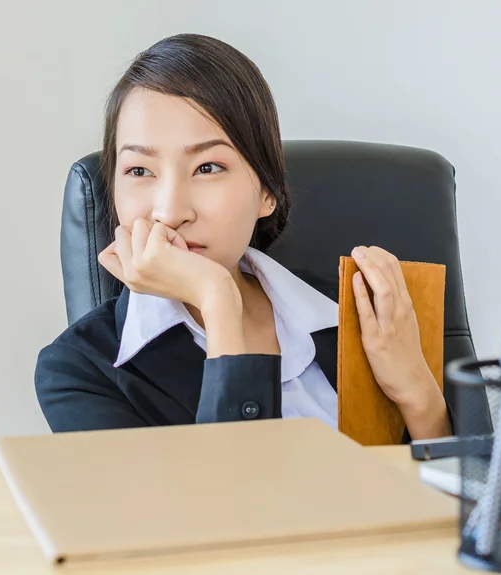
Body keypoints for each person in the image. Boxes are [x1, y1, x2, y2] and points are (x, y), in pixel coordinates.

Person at [35, 33, 467, 440]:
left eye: (208, 168)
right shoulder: (79, 371)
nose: (169, 212)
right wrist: (217, 298)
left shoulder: (359, 315)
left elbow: (468, 512)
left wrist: (418, 394)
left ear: (267, 193)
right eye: (139, 171)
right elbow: (230, 507)